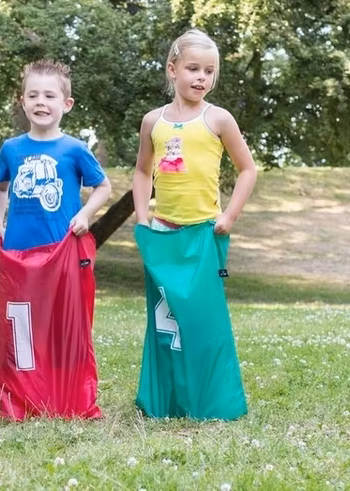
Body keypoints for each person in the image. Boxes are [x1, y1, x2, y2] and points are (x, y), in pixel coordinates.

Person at [131, 29, 257, 420]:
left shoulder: (218, 119)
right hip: (163, 234)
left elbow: (248, 169)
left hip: (205, 234)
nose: (202, 77)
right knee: (165, 321)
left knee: (204, 322)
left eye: (209, 71)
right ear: (173, 69)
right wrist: (142, 217)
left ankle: (211, 401)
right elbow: (142, 171)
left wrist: (229, 215)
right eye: (193, 69)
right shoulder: (153, 121)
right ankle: (167, 400)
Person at [0, 59, 111, 420]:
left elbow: (103, 187)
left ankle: (65, 394)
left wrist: (85, 215)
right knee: (22, 323)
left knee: (62, 324)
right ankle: (22, 394)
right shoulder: (11, 148)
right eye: (33, 95)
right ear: (23, 101)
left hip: (61, 253)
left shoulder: (74, 149)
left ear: (66, 104)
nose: (41, 102)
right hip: (19, 254)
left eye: (50, 96)